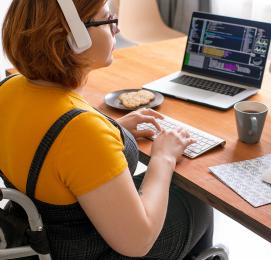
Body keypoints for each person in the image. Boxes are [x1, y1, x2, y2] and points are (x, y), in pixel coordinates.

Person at [0, 0, 213, 259]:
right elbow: (138, 241)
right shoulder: (81, 131)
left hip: (36, 235)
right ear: (75, 38)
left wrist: (113, 131)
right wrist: (163, 157)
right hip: (82, 250)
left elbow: (54, 152)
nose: (117, 30)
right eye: (108, 19)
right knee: (196, 199)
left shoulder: (8, 88)